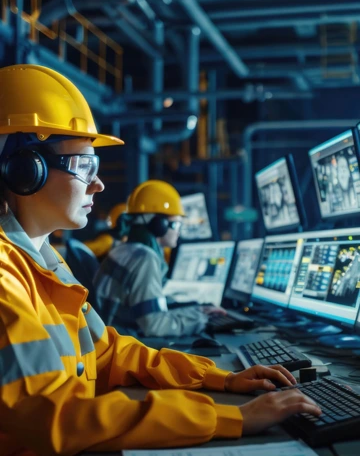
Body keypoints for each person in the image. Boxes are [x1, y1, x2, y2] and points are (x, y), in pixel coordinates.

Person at [0, 64, 321, 456]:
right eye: (86, 166)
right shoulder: (5, 278)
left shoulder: (42, 260)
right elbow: (52, 419)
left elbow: (109, 353)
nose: (99, 184)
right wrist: (227, 417)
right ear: (22, 170)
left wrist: (220, 379)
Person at [94, 180, 223, 337]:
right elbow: (155, 326)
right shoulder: (145, 258)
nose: (179, 232)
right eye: (176, 225)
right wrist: (202, 320)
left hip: (112, 338)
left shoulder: (124, 250)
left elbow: (148, 304)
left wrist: (196, 310)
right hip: (124, 345)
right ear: (158, 225)